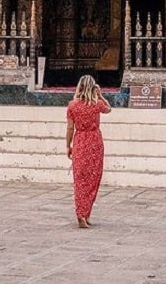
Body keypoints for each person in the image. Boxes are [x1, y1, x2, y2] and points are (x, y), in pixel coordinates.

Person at [66, 74, 111, 228]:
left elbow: (70, 128)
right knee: (93, 178)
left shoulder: (72, 105)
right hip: (94, 141)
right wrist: (101, 95)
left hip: (80, 141)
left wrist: (68, 145)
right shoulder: (97, 104)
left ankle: (82, 213)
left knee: (80, 180)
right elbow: (109, 109)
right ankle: (85, 213)